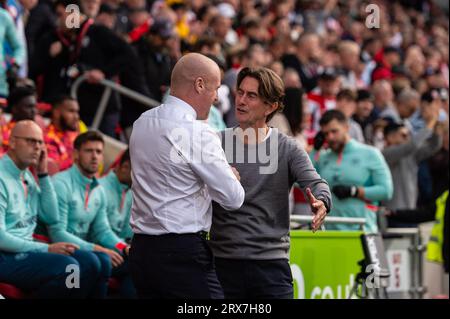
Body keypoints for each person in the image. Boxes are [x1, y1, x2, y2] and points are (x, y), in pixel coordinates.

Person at [129, 53, 245, 299]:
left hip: (142, 250)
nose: (216, 98)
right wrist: (230, 176)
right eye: (216, 89)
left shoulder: (141, 123)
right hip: (182, 254)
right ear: (200, 84)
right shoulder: (197, 132)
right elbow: (233, 198)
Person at [210, 67, 332, 299]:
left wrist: (322, 202)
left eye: (252, 95)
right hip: (222, 265)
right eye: (240, 92)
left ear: (271, 106)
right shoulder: (215, 142)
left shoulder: (288, 147)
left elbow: (316, 183)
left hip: (270, 267)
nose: (242, 100)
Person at [0, 120, 106, 298]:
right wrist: (45, 249)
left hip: (25, 251)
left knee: (93, 262)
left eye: (40, 142)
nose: (38, 148)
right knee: (69, 268)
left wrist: (42, 174)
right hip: (5, 256)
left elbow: (51, 217)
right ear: (12, 142)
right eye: (31, 141)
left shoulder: (26, 175)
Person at [50, 131, 135, 298]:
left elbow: (103, 231)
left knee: (137, 263)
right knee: (99, 261)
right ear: (75, 154)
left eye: (99, 152)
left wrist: (123, 248)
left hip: (85, 250)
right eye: (89, 151)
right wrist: (97, 248)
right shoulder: (61, 183)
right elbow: (57, 234)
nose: (95, 156)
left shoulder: (97, 190)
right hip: (61, 247)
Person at [312, 110, 393, 233]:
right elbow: (301, 181)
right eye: (325, 134)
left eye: (334, 131)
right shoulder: (323, 157)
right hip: (329, 231)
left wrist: (355, 192)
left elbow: (386, 191)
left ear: (346, 127)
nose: (330, 137)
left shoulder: (370, 153)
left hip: (362, 230)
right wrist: (315, 150)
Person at [382, 111, 442, 212]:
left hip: (410, 209)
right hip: (392, 211)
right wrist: (430, 124)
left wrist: (437, 131)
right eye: (404, 135)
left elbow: (433, 146)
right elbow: (412, 145)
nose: (408, 138)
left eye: (409, 134)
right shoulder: (386, 153)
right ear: (390, 137)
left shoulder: (410, 155)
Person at [99, 148, 132, 243]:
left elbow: (127, 234)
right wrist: (124, 248)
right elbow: (100, 235)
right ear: (125, 167)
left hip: (117, 249)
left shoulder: (130, 194)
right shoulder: (100, 189)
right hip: (98, 250)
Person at [44, 95, 84, 175]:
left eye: (77, 112)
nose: (77, 117)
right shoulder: (47, 137)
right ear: (56, 113)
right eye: (71, 111)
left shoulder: (74, 135)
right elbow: (53, 170)